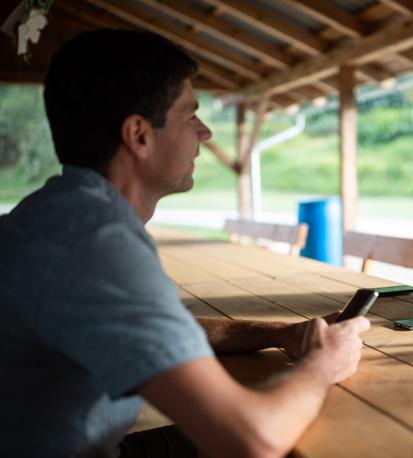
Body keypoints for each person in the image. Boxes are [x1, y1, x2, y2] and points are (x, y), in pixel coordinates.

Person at [0, 29, 369, 458]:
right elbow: (251, 439)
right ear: (138, 135)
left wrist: (281, 333)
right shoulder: (95, 240)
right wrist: (323, 365)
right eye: (189, 115)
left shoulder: (62, 212)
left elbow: (166, 328)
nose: (205, 132)